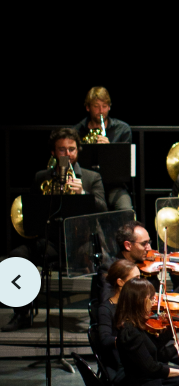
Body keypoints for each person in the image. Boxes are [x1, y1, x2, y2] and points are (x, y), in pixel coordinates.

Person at [3, 129, 111, 330]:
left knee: (104, 262)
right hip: (51, 242)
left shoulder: (91, 177)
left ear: (78, 150)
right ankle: (22, 312)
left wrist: (83, 193)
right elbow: (32, 211)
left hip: (81, 243)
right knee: (17, 257)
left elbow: (103, 209)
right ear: (53, 152)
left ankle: (102, 316)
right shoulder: (41, 177)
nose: (67, 154)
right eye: (62, 150)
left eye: (71, 149)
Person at [75, 86, 133, 210]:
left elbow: (125, 165)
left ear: (109, 107)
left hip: (114, 185)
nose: (101, 111)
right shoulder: (77, 131)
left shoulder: (122, 129)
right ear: (87, 107)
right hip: (87, 185)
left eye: (105, 106)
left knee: (126, 210)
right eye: (96, 106)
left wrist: (109, 150)